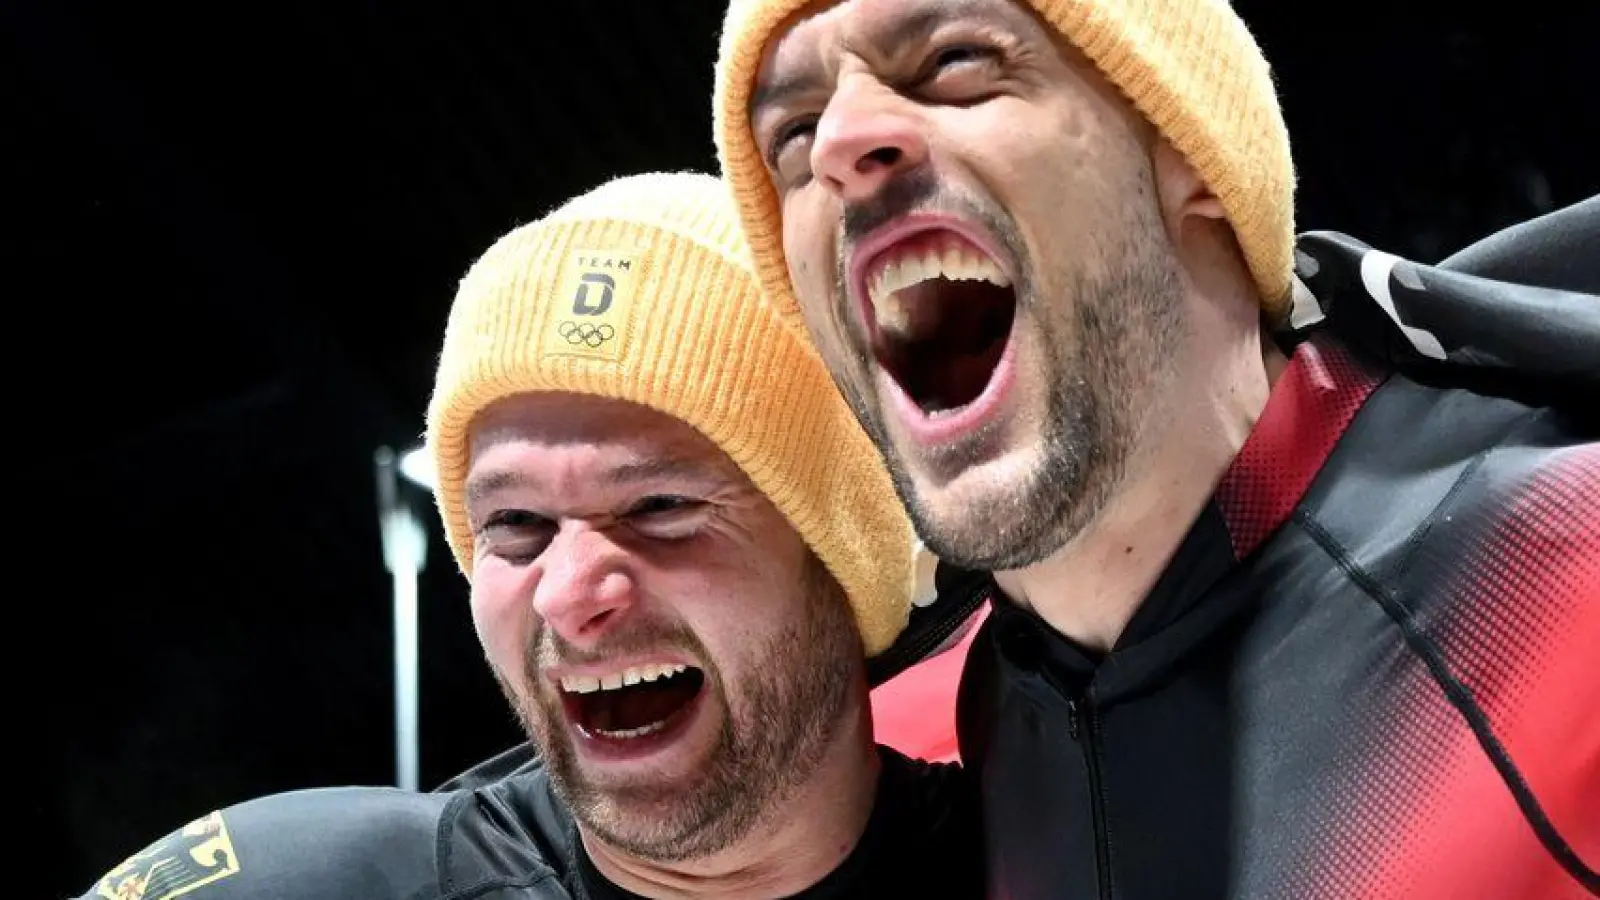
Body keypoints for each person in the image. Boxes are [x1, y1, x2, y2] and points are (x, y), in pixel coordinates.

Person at [710, 0, 1600, 897]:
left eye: (954, 63)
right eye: (793, 135)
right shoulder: (908, 773)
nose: (838, 143)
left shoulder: (1562, 581)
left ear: (1192, 154)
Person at [75, 172, 983, 900]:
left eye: (660, 506)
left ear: (844, 550)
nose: (570, 591)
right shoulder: (310, 883)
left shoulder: (1045, 852)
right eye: (515, 524)